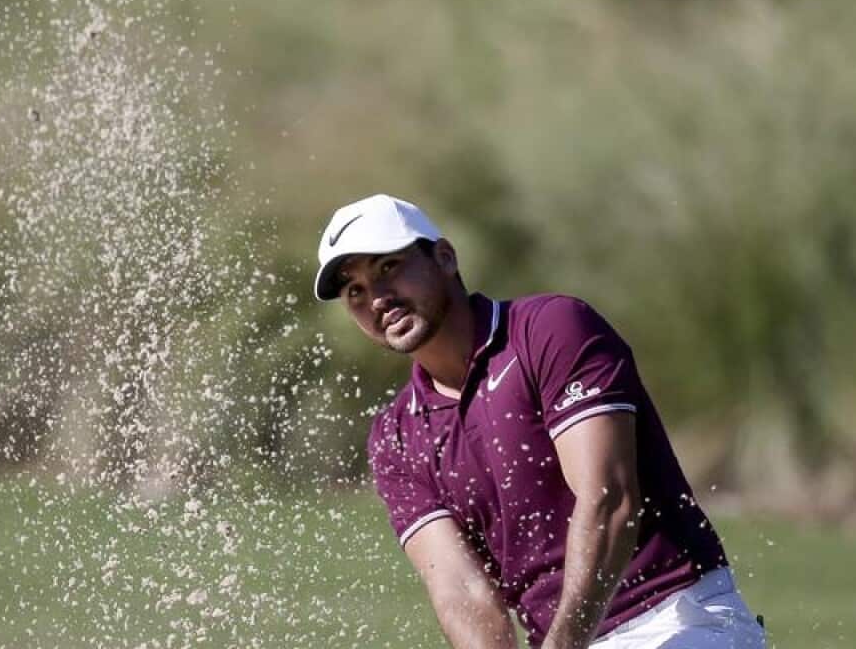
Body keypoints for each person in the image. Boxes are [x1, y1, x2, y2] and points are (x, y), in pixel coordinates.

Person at [314, 194, 765, 649]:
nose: (377, 298)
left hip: (676, 619)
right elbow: (461, 592)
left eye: (389, 267)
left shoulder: (550, 329)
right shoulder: (396, 437)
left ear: (445, 257)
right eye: (355, 291)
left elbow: (609, 501)